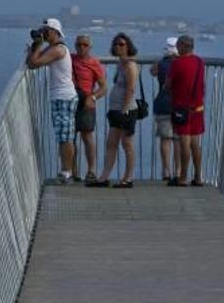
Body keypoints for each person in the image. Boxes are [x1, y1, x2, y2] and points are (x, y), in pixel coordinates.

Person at [26, 18, 78, 184]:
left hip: (64, 97)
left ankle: (66, 172)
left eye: (46, 30)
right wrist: (36, 46)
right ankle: (68, 170)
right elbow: (32, 61)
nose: (44, 33)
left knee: (65, 137)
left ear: (55, 32)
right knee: (63, 135)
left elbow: (33, 63)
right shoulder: (53, 48)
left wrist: (37, 46)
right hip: (60, 96)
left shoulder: (58, 50)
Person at [86, 32, 139, 188]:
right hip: (115, 110)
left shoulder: (130, 65)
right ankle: (104, 177)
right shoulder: (120, 64)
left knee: (127, 144)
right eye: (116, 44)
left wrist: (124, 110)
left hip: (126, 110)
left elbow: (130, 89)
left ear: (128, 46)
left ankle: (128, 178)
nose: (118, 47)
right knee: (111, 143)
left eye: (122, 44)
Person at [165, 35, 205, 187]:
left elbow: (168, 85)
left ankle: (183, 177)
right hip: (198, 108)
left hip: (182, 108)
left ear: (182, 46)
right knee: (195, 142)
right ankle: (198, 176)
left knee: (184, 142)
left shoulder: (177, 63)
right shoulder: (200, 62)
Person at [70, 34, 107, 183]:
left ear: (90, 47)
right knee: (70, 138)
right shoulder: (69, 58)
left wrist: (93, 97)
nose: (81, 47)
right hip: (70, 101)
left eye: (85, 45)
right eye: (79, 44)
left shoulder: (94, 64)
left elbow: (104, 87)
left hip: (86, 101)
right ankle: (73, 171)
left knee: (87, 137)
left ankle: (91, 170)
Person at [150, 37, 181, 184]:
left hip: (163, 104)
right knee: (178, 140)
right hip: (180, 105)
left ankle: (166, 171)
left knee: (165, 139)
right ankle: (179, 170)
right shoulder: (182, 64)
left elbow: (152, 71)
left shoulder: (161, 64)